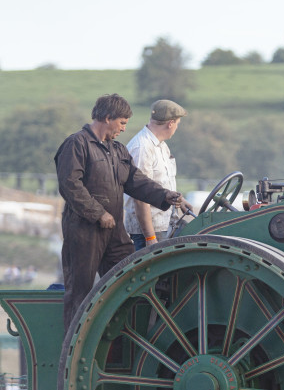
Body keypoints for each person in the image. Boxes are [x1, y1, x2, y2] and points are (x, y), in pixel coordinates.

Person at [55, 93, 190, 326]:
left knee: (130, 280)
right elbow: (70, 185)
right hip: (84, 232)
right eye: (122, 123)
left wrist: (165, 195)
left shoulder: (117, 150)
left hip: (114, 231)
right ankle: (72, 353)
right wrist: (98, 214)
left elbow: (136, 181)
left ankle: (118, 346)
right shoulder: (76, 144)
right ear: (107, 118)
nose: (124, 129)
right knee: (80, 292)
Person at [124, 99, 186, 250]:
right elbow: (140, 195)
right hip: (149, 232)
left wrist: (180, 201)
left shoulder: (161, 146)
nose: (176, 128)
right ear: (170, 123)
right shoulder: (142, 148)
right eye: (177, 123)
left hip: (164, 226)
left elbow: (162, 184)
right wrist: (150, 237)